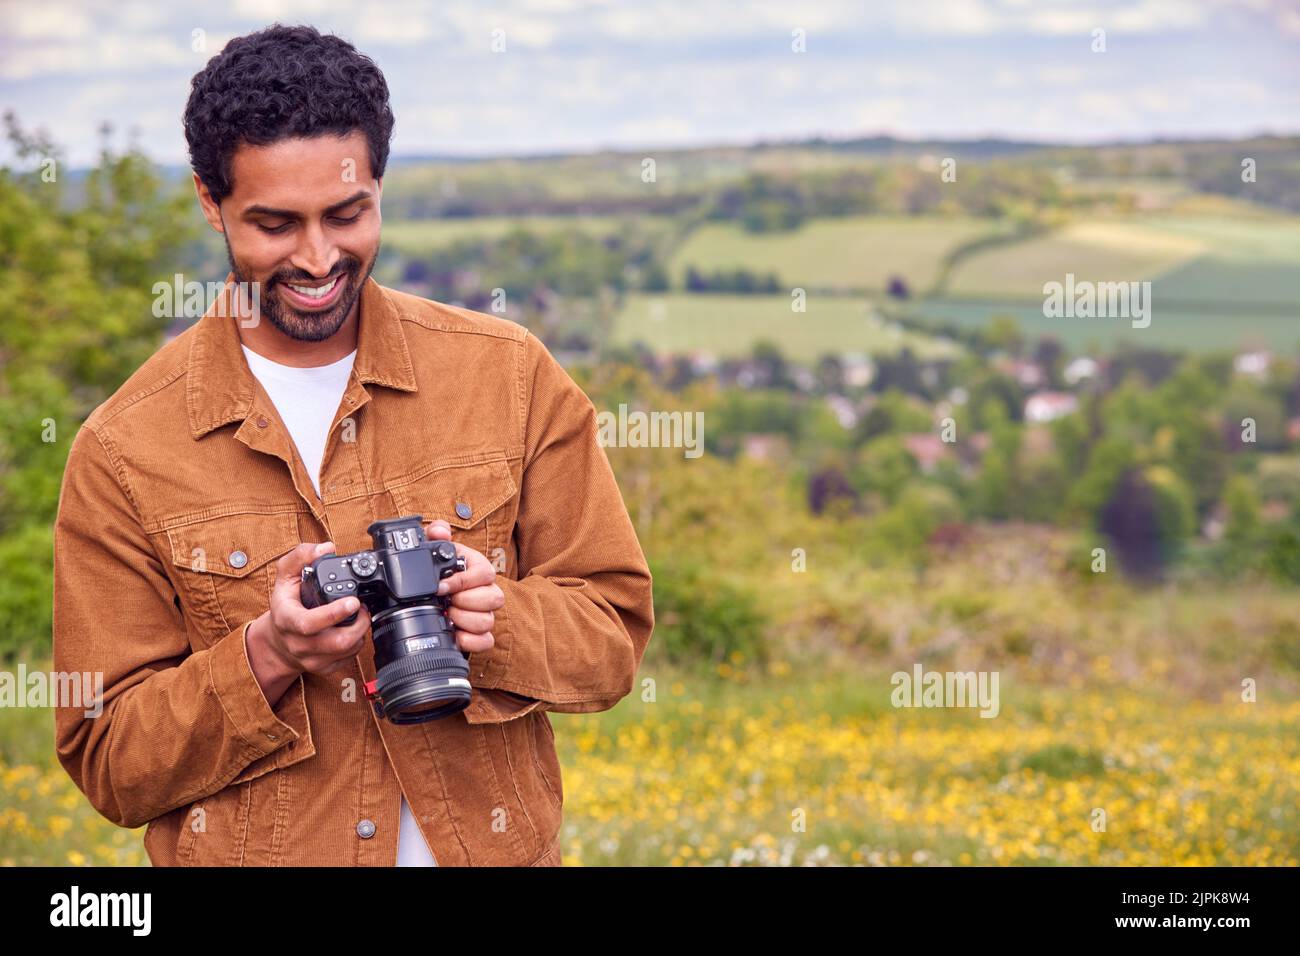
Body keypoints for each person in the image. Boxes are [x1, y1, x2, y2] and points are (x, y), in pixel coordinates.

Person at [51, 23, 654, 867]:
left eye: (347, 214)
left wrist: (497, 616)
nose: (318, 256)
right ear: (208, 200)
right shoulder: (124, 448)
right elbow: (109, 758)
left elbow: (614, 632)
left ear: (379, 185)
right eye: (274, 224)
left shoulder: (508, 375)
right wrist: (267, 653)